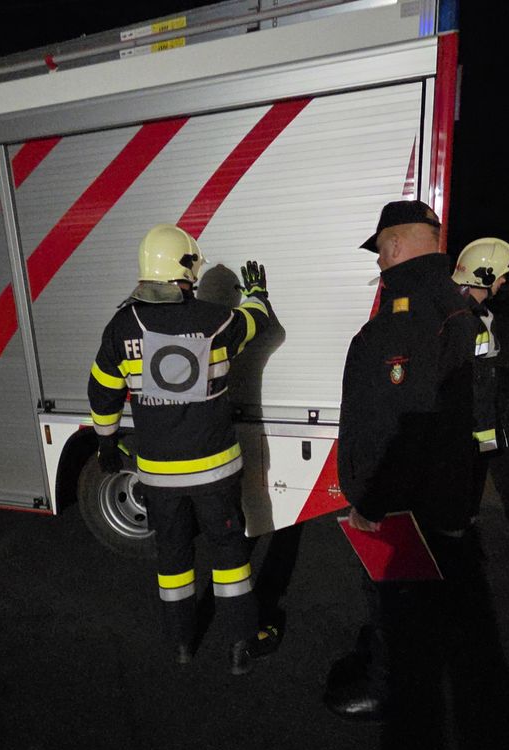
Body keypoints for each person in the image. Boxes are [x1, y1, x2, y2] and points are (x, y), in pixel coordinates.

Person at [87, 223, 279, 674]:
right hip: (215, 474)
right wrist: (256, 292)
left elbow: (102, 393)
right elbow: (258, 322)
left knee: (172, 559)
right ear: (185, 269)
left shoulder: (121, 327)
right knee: (230, 556)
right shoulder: (217, 320)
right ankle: (240, 646)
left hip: (157, 477)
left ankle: (181, 644)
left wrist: (106, 443)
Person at [326, 200, 477, 721]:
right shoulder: (452, 300)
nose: (378, 264)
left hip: (405, 498)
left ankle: (390, 691)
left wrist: (373, 501)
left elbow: (401, 422)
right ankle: (404, 672)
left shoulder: (408, 313)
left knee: (393, 595)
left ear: (392, 244)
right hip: (440, 486)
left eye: (379, 252)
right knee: (419, 596)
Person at [452, 237, 509, 521]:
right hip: (465, 430)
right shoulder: (461, 317)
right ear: (485, 273)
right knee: (459, 503)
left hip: (481, 426)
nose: (504, 280)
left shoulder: (484, 315)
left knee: (471, 496)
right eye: (501, 274)